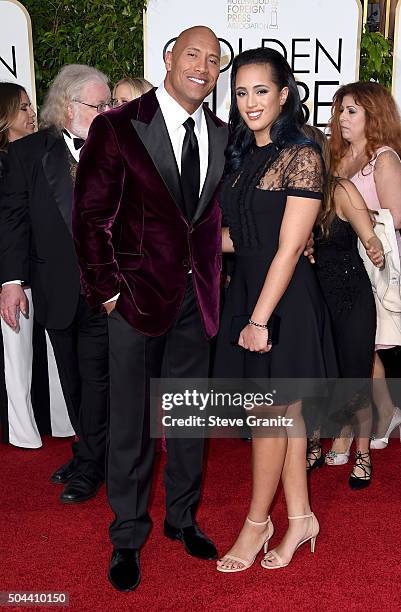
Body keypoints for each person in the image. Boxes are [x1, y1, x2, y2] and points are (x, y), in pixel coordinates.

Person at [73, 26, 226, 592]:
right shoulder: (116, 126)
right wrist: (109, 293)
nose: (204, 67)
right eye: (193, 55)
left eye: (213, 61)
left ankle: (182, 520)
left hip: (196, 302)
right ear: (169, 58)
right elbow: (90, 220)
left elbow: (208, 222)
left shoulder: (220, 131)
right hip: (134, 303)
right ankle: (127, 535)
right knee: (132, 426)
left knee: (188, 421)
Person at [213, 47, 337, 573]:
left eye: (261, 90)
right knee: (285, 419)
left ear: (285, 94)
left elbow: (290, 247)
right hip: (250, 291)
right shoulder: (243, 156)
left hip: (283, 301)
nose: (250, 102)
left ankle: (256, 523)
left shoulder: (303, 153)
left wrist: (259, 320)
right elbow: (241, 239)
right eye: (241, 92)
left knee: (271, 416)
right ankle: (302, 517)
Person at [0, 65, 110, 502]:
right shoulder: (26, 154)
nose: (106, 112)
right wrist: (10, 281)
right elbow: (13, 222)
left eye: (108, 105)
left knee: (98, 379)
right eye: (97, 105)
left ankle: (93, 466)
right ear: (68, 107)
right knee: (73, 380)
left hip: (108, 293)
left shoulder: (119, 149)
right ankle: (88, 451)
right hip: (56, 289)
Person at [304, 125, 383, 488]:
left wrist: (374, 246)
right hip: (313, 302)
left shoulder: (341, 190)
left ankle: (363, 454)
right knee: (317, 378)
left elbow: (369, 234)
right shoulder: (295, 198)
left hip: (352, 301)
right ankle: (316, 443)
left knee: (355, 378)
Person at [329, 81, 401, 452]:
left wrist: (354, 214)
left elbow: (397, 217)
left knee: (364, 346)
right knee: (359, 347)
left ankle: (375, 416)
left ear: (373, 115)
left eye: (351, 111)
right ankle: (383, 411)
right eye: (341, 110)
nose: (342, 117)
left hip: (374, 265)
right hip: (341, 263)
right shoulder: (338, 157)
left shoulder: (383, 158)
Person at [0, 82, 72, 448]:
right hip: (14, 275)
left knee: (53, 350)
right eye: (22, 107)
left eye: (31, 106)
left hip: (43, 270)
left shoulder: (42, 153)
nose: (32, 114)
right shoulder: (6, 162)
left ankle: (59, 423)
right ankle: (21, 431)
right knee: (16, 357)